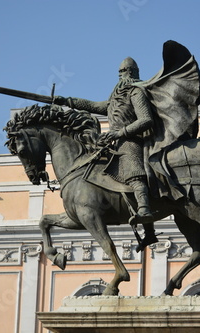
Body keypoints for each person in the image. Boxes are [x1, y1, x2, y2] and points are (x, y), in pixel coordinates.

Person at [54, 56, 158, 248]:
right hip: (113, 142)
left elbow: (146, 120)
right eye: (120, 72)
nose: (122, 75)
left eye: (126, 71)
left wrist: (122, 132)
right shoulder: (116, 98)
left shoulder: (136, 92)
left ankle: (144, 209)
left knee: (133, 169)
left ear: (134, 73)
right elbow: (94, 106)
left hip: (130, 140)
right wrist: (66, 101)